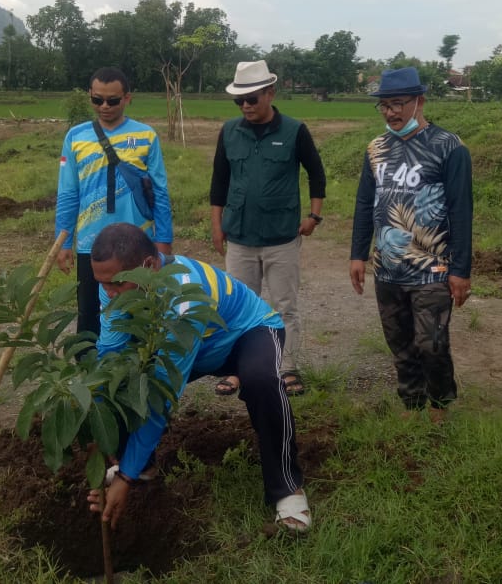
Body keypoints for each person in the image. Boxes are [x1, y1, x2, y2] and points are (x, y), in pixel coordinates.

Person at [86, 222, 310, 533]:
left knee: (261, 380)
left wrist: (122, 479)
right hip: (197, 346)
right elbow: (109, 355)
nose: (108, 293)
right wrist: (102, 424)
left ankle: (287, 488)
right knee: (125, 376)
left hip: (248, 333)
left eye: (116, 284)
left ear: (148, 266)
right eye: (103, 284)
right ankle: (140, 465)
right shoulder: (111, 286)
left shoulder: (182, 298)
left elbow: (162, 395)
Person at [349, 67, 473, 423]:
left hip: (432, 267)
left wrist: (460, 270)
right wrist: (358, 254)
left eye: (398, 103)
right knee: (399, 342)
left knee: (431, 343)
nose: (391, 112)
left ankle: (441, 403)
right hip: (387, 266)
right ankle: (412, 402)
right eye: (384, 106)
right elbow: (364, 203)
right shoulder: (376, 149)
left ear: (420, 101)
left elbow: (461, 211)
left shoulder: (449, 147)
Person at [209, 60, 326, 396]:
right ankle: (238, 370)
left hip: (281, 238)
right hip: (240, 238)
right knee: (239, 307)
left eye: (252, 98)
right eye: (239, 100)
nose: (246, 105)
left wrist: (314, 217)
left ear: (270, 93)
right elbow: (220, 182)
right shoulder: (230, 132)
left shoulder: (294, 130)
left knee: (284, 305)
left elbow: (316, 173)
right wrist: (217, 226)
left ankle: (288, 368)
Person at [55, 67, 173, 337]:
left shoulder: (146, 136)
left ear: (127, 98)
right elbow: (68, 193)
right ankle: (91, 373)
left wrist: (163, 240)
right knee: (90, 315)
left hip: (138, 243)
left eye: (113, 100)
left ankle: (140, 375)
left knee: (140, 315)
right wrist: (62, 242)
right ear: (90, 97)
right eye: (97, 100)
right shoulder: (75, 137)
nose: (104, 106)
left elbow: (160, 192)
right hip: (90, 245)